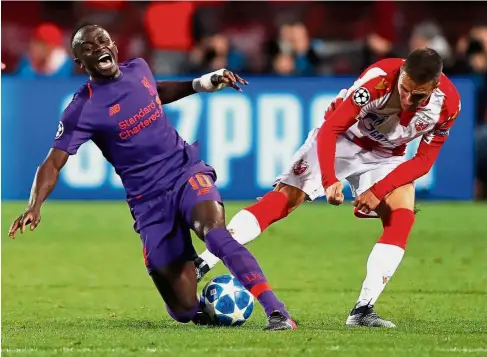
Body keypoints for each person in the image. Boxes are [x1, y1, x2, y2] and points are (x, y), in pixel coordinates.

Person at [8, 24, 296, 331]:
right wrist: (34, 204)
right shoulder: (83, 109)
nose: (99, 48)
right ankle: (204, 306)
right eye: (88, 48)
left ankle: (277, 312)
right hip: (148, 202)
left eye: (103, 40)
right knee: (183, 308)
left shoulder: (139, 69)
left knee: (213, 231)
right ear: (80, 62)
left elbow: (156, 91)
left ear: (114, 45)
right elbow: (52, 163)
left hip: (185, 170)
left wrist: (202, 83)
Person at [195, 48, 461, 328]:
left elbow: (423, 160)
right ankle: (202, 263)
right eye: (404, 89)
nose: (408, 99)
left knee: (402, 217)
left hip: (388, 154)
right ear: (402, 73)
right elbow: (332, 128)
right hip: (344, 139)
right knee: (283, 201)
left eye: (418, 95)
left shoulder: (448, 105)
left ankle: (362, 310)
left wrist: (379, 189)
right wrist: (329, 179)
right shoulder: (378, 81)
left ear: (435, 84)